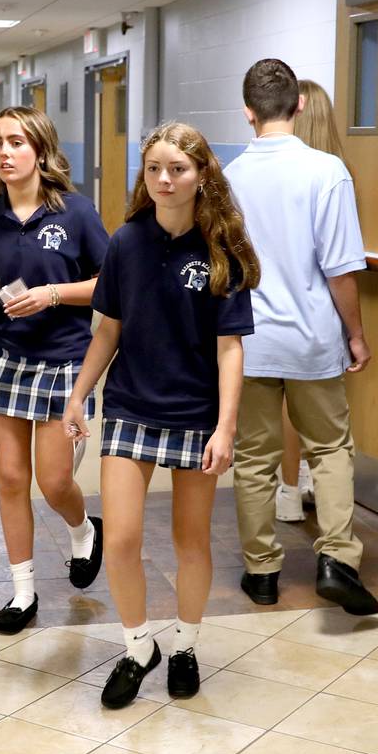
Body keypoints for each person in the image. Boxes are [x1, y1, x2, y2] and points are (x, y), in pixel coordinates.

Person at [64, 122, 259, 708]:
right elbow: (109, 330)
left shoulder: (222, 247)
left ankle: (185, 646)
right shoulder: (126, 242)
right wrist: (79, 395)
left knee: (190, 540)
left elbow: (231, 347)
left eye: (177, 169)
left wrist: (226, 427)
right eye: (153, 169)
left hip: (197, 413)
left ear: (202, 175)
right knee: (120, 539)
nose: (165, 180)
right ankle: (138, 645)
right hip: (130, 407)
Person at [224, 58, 378, 616]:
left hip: (251, 341)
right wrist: (356, 336)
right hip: (313, 340)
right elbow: (341, 268)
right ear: (301, 104)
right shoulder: (327, 171)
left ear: (247, 112)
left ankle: (261, 571)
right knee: (331, 449)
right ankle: (337, 559)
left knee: (254, 458)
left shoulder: (228, 178)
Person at [0, 107, 107, 635]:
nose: (4, 152)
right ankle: (23, 592)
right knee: (9, 478)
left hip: (65, 360)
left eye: (16, 142)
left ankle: (82, 528)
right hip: (5, 357)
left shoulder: (76, 213)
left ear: (40, 151)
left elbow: (109, 285)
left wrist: (52, 294)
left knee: (52, 481)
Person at [273, 79, 347, 523]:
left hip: (270, 315)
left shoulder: (268, 170)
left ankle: (286, 491)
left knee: (282, 409)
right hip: (320, 314)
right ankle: (318, 491)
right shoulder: (333, 172)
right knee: (326, 425)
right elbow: (340, 262)